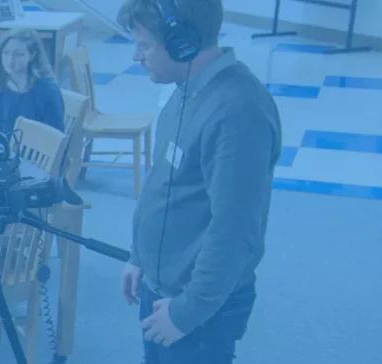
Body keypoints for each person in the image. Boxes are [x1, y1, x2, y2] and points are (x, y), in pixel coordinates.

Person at [117, 0, 281, 363]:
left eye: (144, 46)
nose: (135, 56)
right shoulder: (187, 90)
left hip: (198, 309)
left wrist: (186, 312)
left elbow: (234, 231)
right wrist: (140, 255)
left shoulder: (237, 112)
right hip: (163, 290)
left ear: (182, 43)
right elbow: (167, 187)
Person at [0, 28, 65, 134]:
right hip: (7, 148)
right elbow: (0, 128)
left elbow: (55, 136)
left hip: (38, 149)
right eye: (6, 53)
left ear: (32, 55)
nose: (10, 60)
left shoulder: (47, 90)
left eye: (19, 54)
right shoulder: (2, 87)